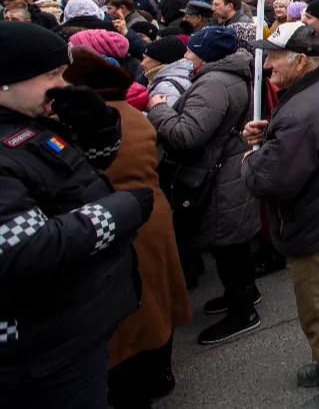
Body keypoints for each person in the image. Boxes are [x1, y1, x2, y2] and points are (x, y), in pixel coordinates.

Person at [0, 22, 153, 407]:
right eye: (51, 74)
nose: (62, 84)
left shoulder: (26, 123)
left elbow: (77, 174)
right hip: (34, 346)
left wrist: (100, 129)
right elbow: (26, 249)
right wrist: (121, 209)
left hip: (65, 328)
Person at [240, 22, 319, 403]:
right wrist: (273, 136)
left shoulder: (302, 111)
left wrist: (252, 157)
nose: (267, 65)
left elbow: (268, 180)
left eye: (274, 57)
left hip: (316, 223)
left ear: (299, 60)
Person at [63, 48, 192, 409]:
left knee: (135, 313)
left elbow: (186, 135)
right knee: (156, 301)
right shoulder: (136, 116)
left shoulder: (94, 127)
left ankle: (142, 380)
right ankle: (161, 372)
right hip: (148, 216)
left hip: (121, 224)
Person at [146, 27, 260, 345]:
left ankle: (243, 311)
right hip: (226, 166)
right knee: (232, 243)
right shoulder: (228, 75)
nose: (186, 56)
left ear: (207, 54)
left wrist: (158, 109)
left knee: (228, 244)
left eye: (191, 51)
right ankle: (244, 295)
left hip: (219, 173)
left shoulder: (214, 84)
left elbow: (187, 135)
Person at [142, 36, 193, 109]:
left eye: (145, 58)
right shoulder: (168, 80)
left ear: (158, 61)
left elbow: (163, 118)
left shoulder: (167, 88)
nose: (142, 63)